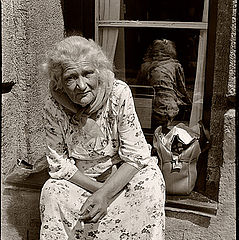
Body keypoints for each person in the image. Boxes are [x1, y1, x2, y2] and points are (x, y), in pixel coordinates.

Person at [40, 36, 165, 240]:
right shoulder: (53, 105)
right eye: (71, 77)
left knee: (150, 182)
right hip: (82, 182)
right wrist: (100, 192)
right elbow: (59, 165)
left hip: (120, 176)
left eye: (87, 73)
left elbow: (136, 155)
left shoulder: (118, 93)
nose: (81, 85)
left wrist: (106, 193)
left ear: (98, 71)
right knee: (52, 191)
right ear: (59, 83)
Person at [137, 39, 192, 132]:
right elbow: (182, 88)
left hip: (149, 108)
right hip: (170, 109)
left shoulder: (145, 66)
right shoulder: (175, 65)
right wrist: (190, 104)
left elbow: (140, 87)